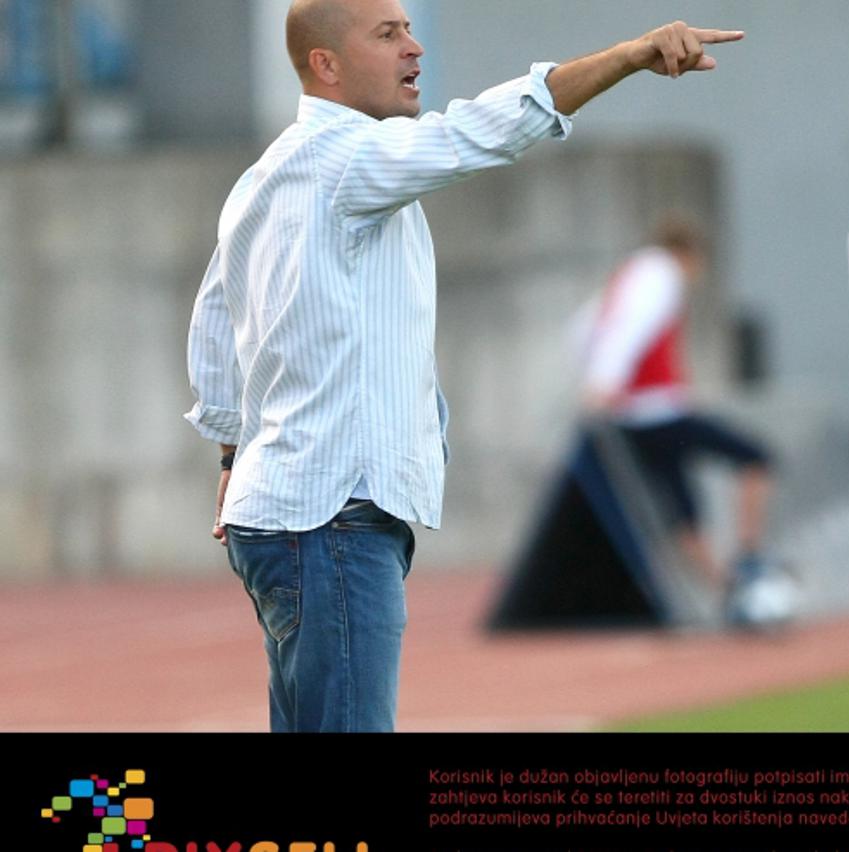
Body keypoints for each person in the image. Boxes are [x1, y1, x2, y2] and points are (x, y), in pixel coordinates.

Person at [183, 0, 744, 732]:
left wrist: (234, 455)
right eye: (387, 34)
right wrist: (629, 56)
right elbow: (476, 134)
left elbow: (214, 323)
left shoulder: (265, 175)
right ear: (326, 65)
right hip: (334, 515)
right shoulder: (347, 158)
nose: (413, 48)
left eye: (409, 29)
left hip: (289, 508)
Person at [578, 218, 777, 620]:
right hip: (660, 412)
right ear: (688, 253)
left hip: (636, 417)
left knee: (683, 513)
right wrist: (603, 383)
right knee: (757, 458)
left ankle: (730, 592)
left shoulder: (628, 274)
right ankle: (749, 558)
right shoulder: (660, 273)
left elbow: (585, 330)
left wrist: (596, 379)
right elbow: (628, 329)